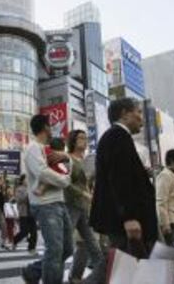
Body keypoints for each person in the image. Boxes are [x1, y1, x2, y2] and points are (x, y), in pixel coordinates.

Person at [90, 98, 158, 258]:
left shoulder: (117, 136)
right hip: (123, 219)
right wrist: (129, 217)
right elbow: (120, 180)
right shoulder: (117, 136)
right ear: (124, 114)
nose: (141, 117)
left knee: (120, 265)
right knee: (122, 265)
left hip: (122, 217)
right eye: (138, 112)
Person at [21, 114, 73, 284]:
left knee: (66, 248)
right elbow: (42, 172)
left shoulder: (48, 149)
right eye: (50, 126)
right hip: (45, 204)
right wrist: (64, 180)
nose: (52, 129)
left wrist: (66, 166)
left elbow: (61, 168)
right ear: (45, 127)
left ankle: (33, 271)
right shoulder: (32, 148)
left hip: (58, 201)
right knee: (55, 249)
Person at [65, 130, 105, 284]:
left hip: (86, 207)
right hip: (72, 206)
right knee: (64, 245)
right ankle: (36, 270)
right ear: (73, 141)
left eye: (85, 138)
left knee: (92, 246)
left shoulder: (87, 161)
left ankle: (97, 277)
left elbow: (89, 183)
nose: (84, 140)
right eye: (80, 138)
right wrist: (85, 194)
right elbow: (66, 183)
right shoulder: (68, 159)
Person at [13, 174, 37, 254]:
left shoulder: (32, 188)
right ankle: (15, 240)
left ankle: (31, 248)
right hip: (24, 213)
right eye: (26, 179)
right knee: (24, 231)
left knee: (34, 232)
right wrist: (28, 194)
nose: (28, 181)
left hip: (32, 213)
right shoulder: (19, 189)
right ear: (22, 180)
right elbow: (19, 200)